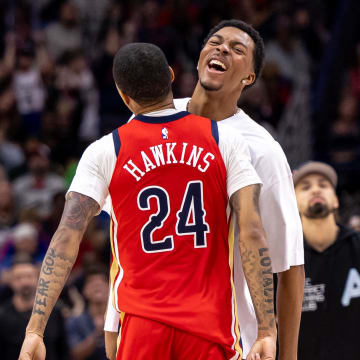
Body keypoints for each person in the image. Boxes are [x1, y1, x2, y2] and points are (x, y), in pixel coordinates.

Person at [18, 43, 276, 360]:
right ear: (170, 76)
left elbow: (66, 237)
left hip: (141, 329)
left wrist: (35, 329)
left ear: (123, 94)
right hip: (208, 327)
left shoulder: (104, 151)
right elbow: (252, 233)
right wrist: (266, 329)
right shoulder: (223, 138)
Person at [105, 19, 305, 360]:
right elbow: (125, 237)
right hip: (147, 330)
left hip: (226, 339)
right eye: (215, 42)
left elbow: (290, 266)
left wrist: (287, 355)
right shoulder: (144, 121)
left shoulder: (263, 151)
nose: (223, 48)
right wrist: (113, 322)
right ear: (199, 59)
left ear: (249, 78)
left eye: (238, 49)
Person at [293, 161, 360, 360]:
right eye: (305, 187)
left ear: (336, 200)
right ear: (293, 202)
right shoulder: (283, 260)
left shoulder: (356, 247)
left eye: (323, 185)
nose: (315, 189)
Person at [0, 254, 68, 360]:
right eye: (19, 278)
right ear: (11, 281)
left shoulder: (54, 312)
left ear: (39, 278)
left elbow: (63, 350)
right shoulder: (2, 316)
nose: (25, 282)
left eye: (29, 276)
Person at [66, 266, 108, 360]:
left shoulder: (122, 320)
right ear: (84, 291)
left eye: (103, 282)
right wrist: (97, 332)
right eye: (92, 283)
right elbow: (75, 354)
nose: (97, 285)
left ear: (111, 289)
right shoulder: (74, 321)